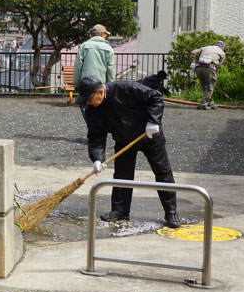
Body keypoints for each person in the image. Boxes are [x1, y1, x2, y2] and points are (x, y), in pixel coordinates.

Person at [74, 75, 180, 228]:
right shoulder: (92, 110)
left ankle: (171, 212)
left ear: (100, 91)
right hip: (124, 140)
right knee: (122, 175)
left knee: (162, 172)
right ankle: (120, 210)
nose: (88, 103)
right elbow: (96, 136)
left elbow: (155, 97)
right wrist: (97, 159)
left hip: (149, 135)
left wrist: (153, 121)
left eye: (90, 99)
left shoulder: (126, 88)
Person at [190, 41, 227, 110]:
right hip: (209, 68)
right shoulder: (222, 53)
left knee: (205, 86)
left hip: (198, 68)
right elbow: (218, 65)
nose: (224, 50)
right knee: (210, 88)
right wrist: (213, 74)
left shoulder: (206, 47)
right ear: (222, 46)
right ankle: (203, 104)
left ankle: (210, 103)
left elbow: (193, 52)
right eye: (224, 49)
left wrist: (193, 62)